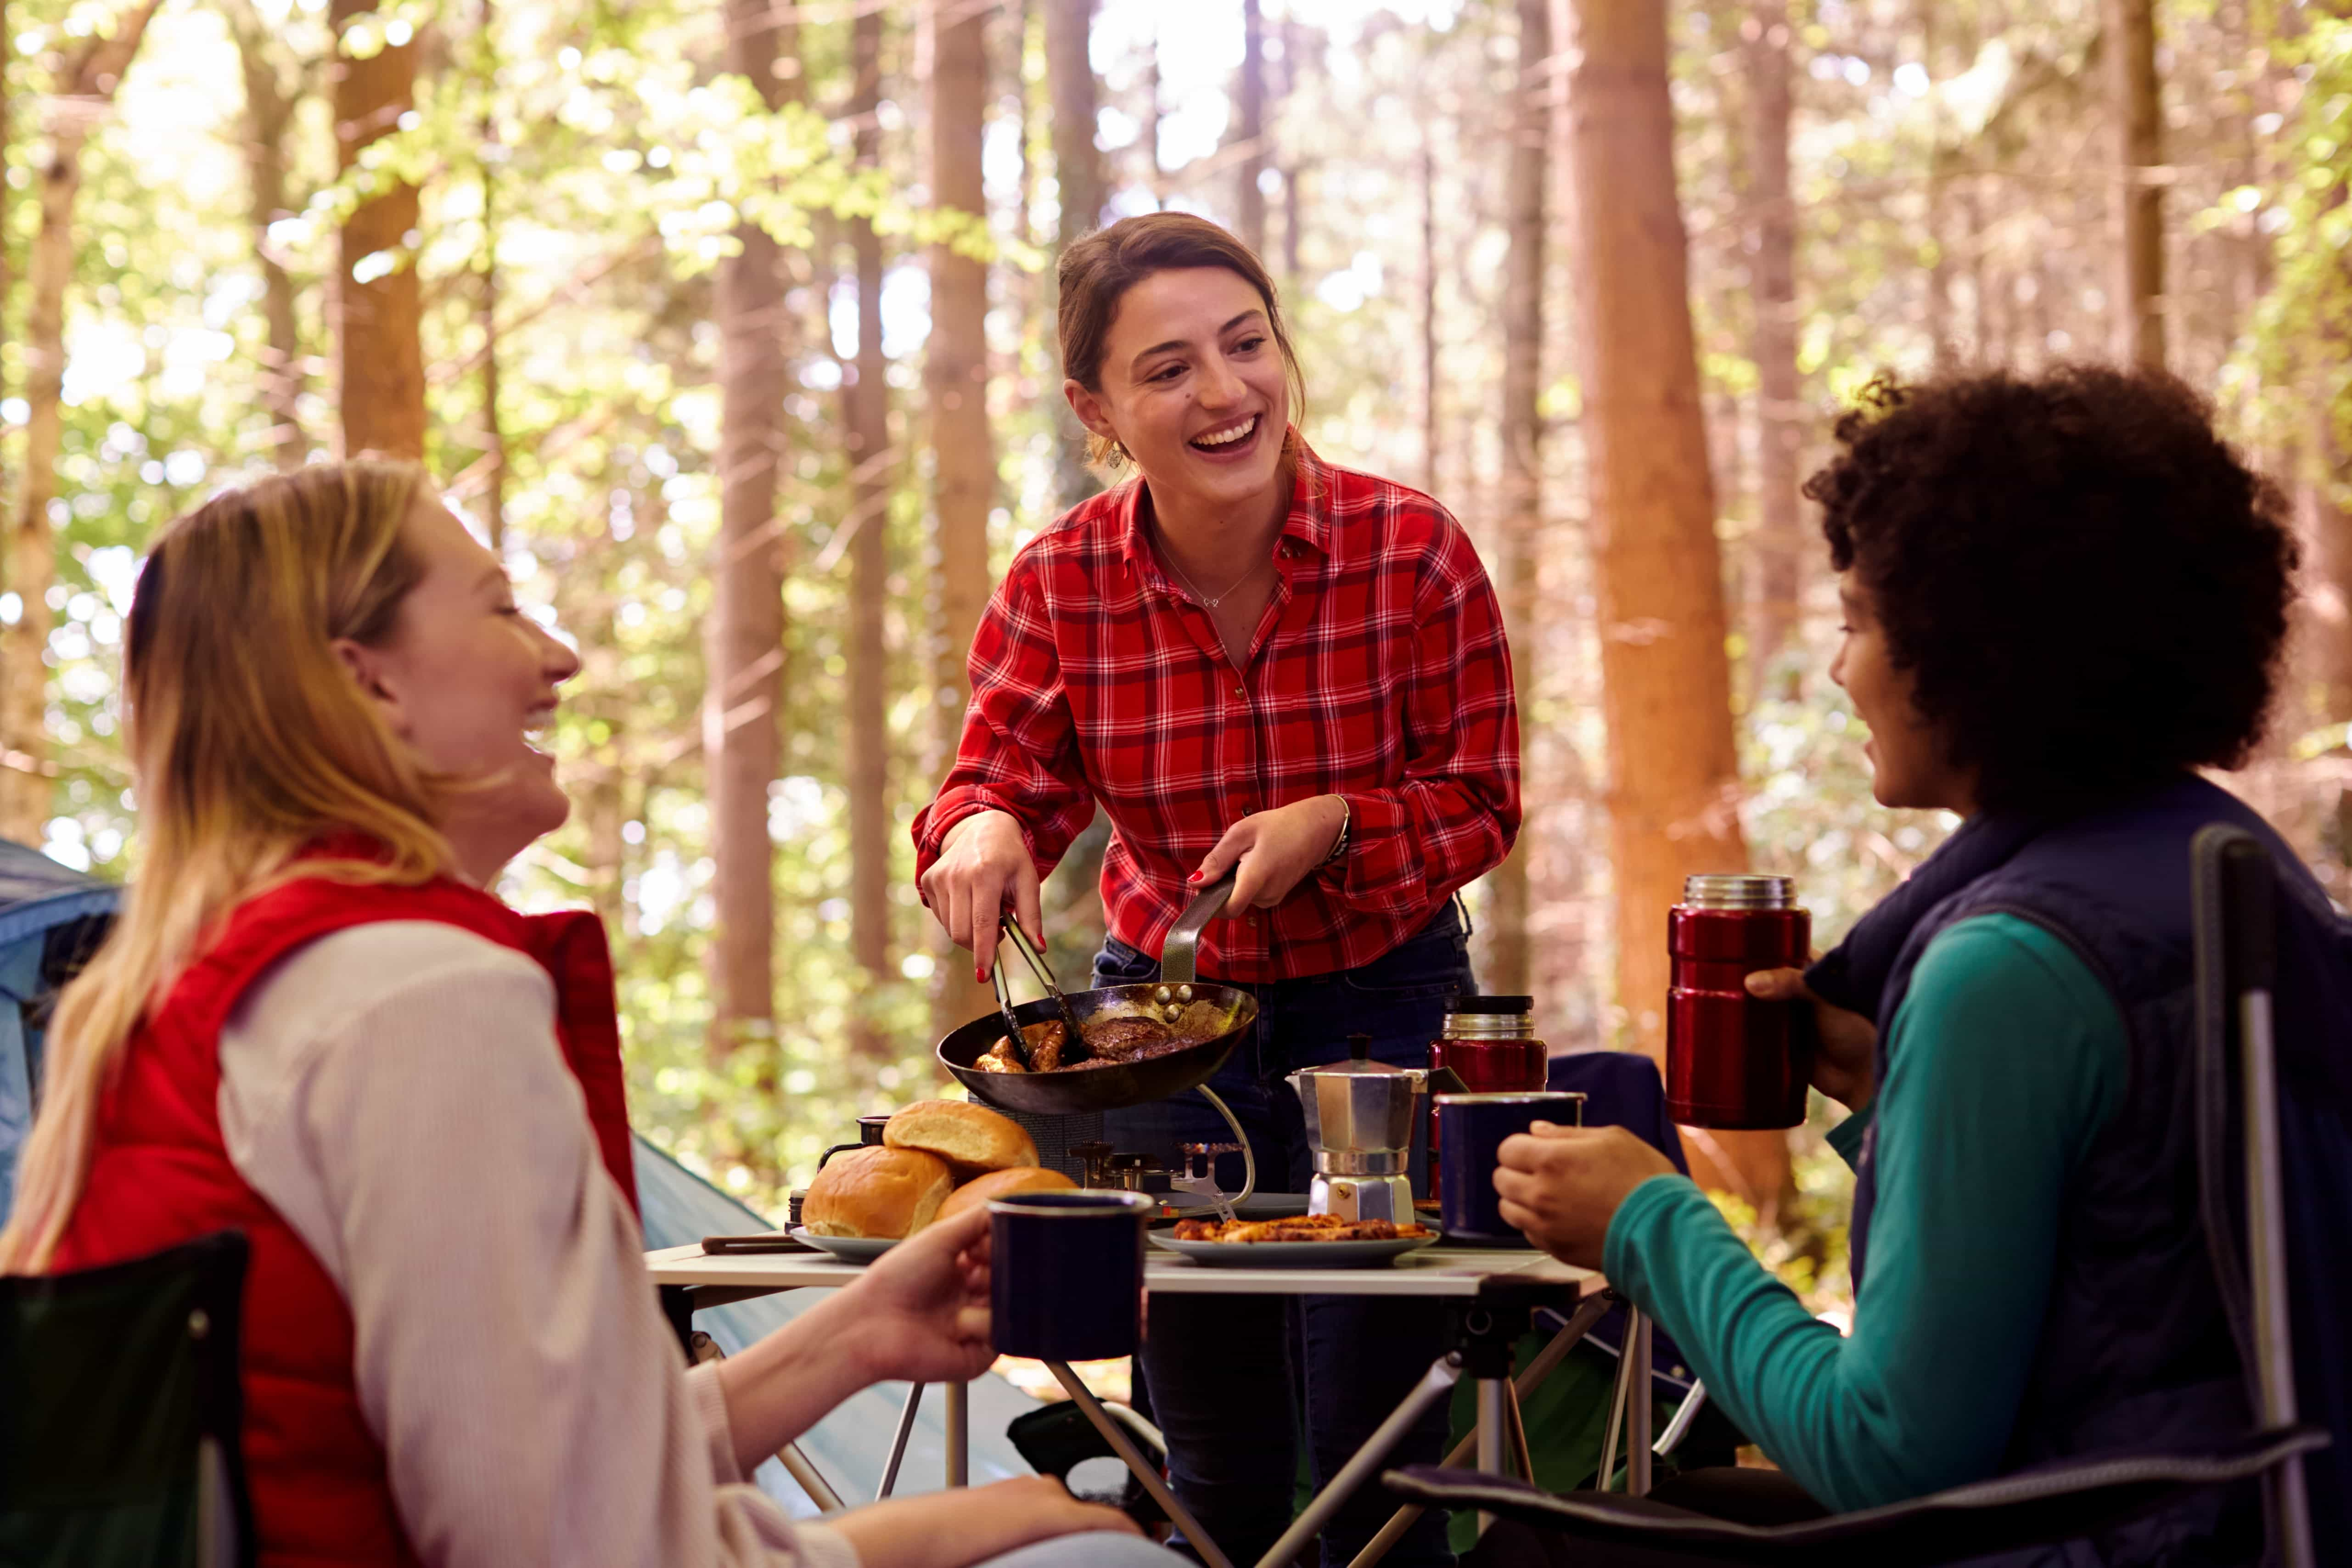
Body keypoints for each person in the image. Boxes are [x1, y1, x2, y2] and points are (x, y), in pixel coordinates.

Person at [0, 462, 1182, 1568]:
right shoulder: (410, 998)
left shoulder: (204, 996)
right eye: (503, 608)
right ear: (370, 678)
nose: (557, 656)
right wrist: (960, 1527)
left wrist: (850, 1335)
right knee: (1098, 1554)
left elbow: (518, 1456)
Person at [1489, 365, 2352, 1566]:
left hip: (2115, 1530)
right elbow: (2142, 1234)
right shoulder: (2216, 857)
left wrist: (1648, 1220)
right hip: (2246, 1504)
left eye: (1855, 619)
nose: (1840, 667)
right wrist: (1892, 1087)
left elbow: (1888, 1450)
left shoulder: (2004, 966)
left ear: (1970, 644)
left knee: (1543, 1547)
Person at [913, 213, 1520, 1568]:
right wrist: (979, 830)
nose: (1224, 391)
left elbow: (1484, 793)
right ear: (1099, 408)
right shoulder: (1060, 581)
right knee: (1218, 1443)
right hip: (1161, 1034)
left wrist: (1340, 819)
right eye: (1169, 367)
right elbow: (995, 777)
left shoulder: (1411, 548)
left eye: (1245, 345)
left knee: (1383, 1432)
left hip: (1389, 1008)